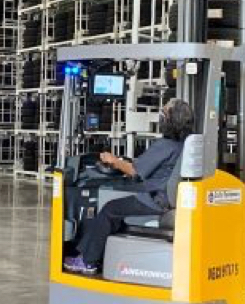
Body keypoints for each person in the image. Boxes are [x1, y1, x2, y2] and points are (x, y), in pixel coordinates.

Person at [63, 98, 194, 276]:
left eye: (164, 113)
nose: (160, 116)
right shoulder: (184, 144)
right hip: (163, 197)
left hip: (153, 200)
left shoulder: (165, 145)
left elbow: (134, 171)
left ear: (170, 119)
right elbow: (149, 166)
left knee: (109, 208)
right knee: (118, 203)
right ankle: (100, 253)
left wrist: (113, 160)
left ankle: (87, 261)